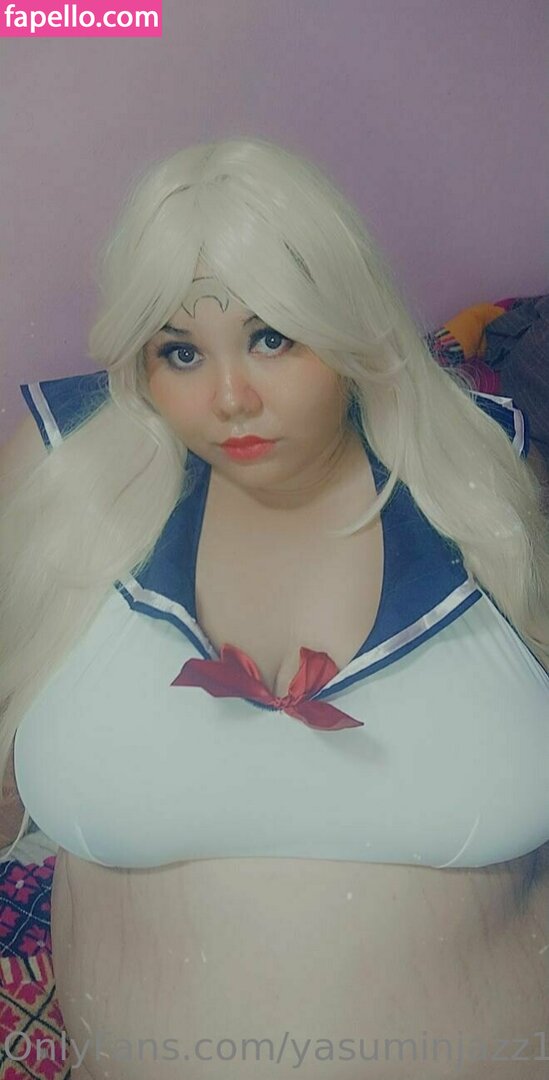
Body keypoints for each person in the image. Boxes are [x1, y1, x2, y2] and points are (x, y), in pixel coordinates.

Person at [1, 136, 548, 1080]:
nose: (230, 399)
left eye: (271, 337)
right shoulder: (65, 480)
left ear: (347, 322)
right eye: (180, 351)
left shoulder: (484, 480)